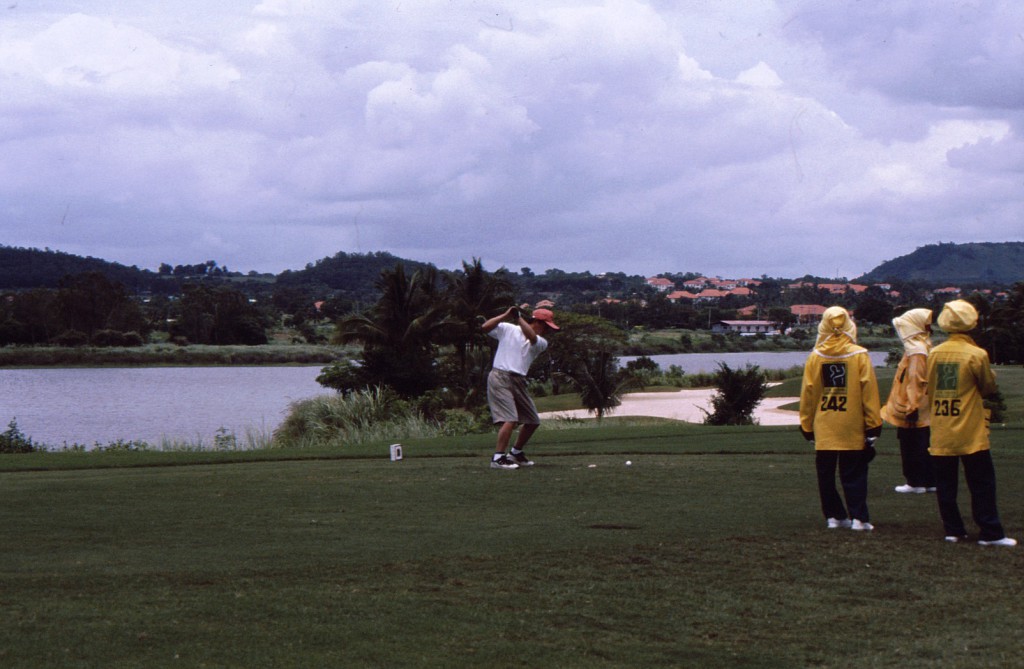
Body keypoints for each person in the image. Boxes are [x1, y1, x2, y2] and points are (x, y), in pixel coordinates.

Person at [927, 299, 1016, 546]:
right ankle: (990, 532)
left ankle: (953, 530)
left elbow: (930, 388)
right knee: (982, 483)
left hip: (942, 427)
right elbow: (988, 387)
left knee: (946, 484)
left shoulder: (934, 354)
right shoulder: (976, 354)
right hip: (969, 429)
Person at [799, 306, 883, 531]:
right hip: (851, 424)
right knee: (854, 472)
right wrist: (874, 424)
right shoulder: (859, 355)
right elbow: (869, 392)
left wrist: (806, 425)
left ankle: (834, 517)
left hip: (824, 425)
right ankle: (859, 518)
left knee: (826, 474)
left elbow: (808, 394)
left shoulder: (815, 357)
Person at [481, 304, 560, 470]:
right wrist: (506, 314)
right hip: (500, 376)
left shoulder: (541, 342)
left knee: (532, 420)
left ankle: (515, 453)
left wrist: (517, 317)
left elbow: (530, 336)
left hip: (519, 380)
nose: (547, 331)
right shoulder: (508, 328)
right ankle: (498, 458)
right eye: (546, 326)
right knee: (511, 419)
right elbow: (485, 327)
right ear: (538, 322)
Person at [881, 308, 936, 494]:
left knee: (912, 445)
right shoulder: (924, 346)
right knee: (923, 443)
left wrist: (912, 407)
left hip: (913, 407)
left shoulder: (916, 351)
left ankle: (915, 482)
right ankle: (928, 481)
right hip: (923, 407)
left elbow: (916, 380)